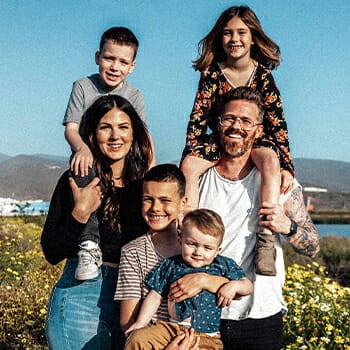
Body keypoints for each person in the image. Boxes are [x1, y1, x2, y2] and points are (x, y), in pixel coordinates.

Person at [171, 87, 320, 349]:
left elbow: (313, 247)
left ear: (259, 130)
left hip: (260, 315)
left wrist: (287, 226)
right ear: (218, 124)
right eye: (229, 119)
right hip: (201, 313)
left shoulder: (280, 184)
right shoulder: (197, 180)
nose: (236, 126)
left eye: (246, 121)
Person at [180, 5, 294, 275]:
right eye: (228, 33)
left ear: (253, 37)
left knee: (269, 160)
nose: (235, 39)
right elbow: (198, 117)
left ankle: (265, 240)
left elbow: (278, 121)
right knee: (188, 167)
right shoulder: (211, 74)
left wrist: (287, 165)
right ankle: (186, 227)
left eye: (242, 32)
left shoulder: (264, 75)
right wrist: (191, 154)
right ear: (220, 38)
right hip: (219, 139)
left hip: (258, 139)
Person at [41, 94, 152, 349]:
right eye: (106, 127)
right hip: (83, 296)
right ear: (91, 134)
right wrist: (80, 213)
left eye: (123, 127)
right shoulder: (77, 179)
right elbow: (51, 251)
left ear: (134, 133)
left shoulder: (144, 187)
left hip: (134, 298)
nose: (116, 136)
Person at [62, 26, 155, 280]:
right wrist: (82, 147)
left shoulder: (135, 95)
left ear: (132, 66)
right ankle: (89, 246)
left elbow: (144, 137)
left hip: (123, 164)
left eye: (123, 61)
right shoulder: (83, 86)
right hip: (89, 160)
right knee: (84, 170)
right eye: (109, 58)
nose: (115, 66)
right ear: (97, 57)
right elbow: (71, 128)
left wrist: (152, 172)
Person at [116, 164, 228, 350]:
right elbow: (128, 322)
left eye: (165, 200)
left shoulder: (200, 245)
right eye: (148, 199)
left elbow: (230, 285)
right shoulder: (132, 252)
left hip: (201, 341)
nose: (155, 208)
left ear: (183, 202)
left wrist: (202, 280)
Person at [124, 209, 253, 350]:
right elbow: (155, 296)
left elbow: (247, 286)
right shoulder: (171, 264)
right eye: (192, 244)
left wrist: (233, 286)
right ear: (180, 241)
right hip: (170, 329)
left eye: (207, 248)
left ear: (218, 250)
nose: (198, 252)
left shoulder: (223, 265)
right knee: (137, 339)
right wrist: (141, 323)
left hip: (207, 336)